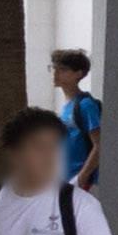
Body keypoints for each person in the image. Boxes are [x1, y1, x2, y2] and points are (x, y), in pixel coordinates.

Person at [50, 49, 105, 188]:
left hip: (79, 181)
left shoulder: (86, 105)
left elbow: (99, 145)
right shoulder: (66, 105)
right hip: (63, 177)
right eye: (53, 68)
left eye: (62, 69)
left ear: (78, 74)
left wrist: (82, 177)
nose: (55, 73)